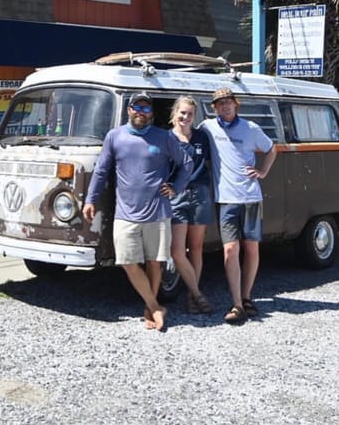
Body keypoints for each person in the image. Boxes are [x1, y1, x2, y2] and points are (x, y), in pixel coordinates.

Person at [82, 91, 193, 331]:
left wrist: (175, 186)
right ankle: (155, 306)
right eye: (137, 108)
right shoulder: (115, 136)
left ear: (151, 113)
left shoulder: (163, 137)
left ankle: (148, 309)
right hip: (126, 214)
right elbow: (101, 171)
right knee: (128, 262)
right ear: (129, 110)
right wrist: (90, 199)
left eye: (146, 109)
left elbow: (186, 164)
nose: (141, 113)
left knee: (155, 263)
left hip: (158, 212)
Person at [199, 86, 277, 325]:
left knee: (252, 249)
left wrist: (262, 171)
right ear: (215, 108)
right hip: (225, 198)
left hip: (251, 196)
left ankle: (247, 297)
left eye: (228, 102)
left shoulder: (251, 128)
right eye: (220, 103)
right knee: (230, 250)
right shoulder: (208, 128)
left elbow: (271, 149)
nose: (225, 106)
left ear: (236, 104)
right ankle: (236, 304)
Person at [167, 95, 214, 315]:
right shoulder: (167, 139)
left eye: (190, 114)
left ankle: (190, 298)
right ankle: (197, 294)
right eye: (182, 112)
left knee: (195, 248)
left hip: (200, 193)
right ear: (175, 114)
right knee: (177, 250)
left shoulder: (202, 138)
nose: (185, 117)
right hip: (177, 196)